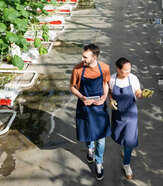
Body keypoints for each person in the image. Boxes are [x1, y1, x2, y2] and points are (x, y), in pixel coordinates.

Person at [69, 44, 111, 181]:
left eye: (85, 57)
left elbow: (105, 84)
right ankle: (90, 148)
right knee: (87, 133)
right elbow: (72, 87)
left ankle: (99, 163)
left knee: (101, 137)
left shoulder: (104, 68)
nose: (82, 59)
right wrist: (82, 97)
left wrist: (104, 97)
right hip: (85, 106)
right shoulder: (78, 69)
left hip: (99, 107)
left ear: (94, 58)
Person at [108, 57, 153, 179]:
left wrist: (143, 94)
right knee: (120, 136)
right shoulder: (112, 79)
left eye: (130, 69)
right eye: (126, 70)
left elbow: (138, 94)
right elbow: (109, 92)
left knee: (130, 140)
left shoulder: (133, 79)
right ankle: (124, 151)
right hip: (118, 114)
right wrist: (111, 99)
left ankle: (126, 164)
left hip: (131, 114)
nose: (128, 72)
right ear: (118, 69)